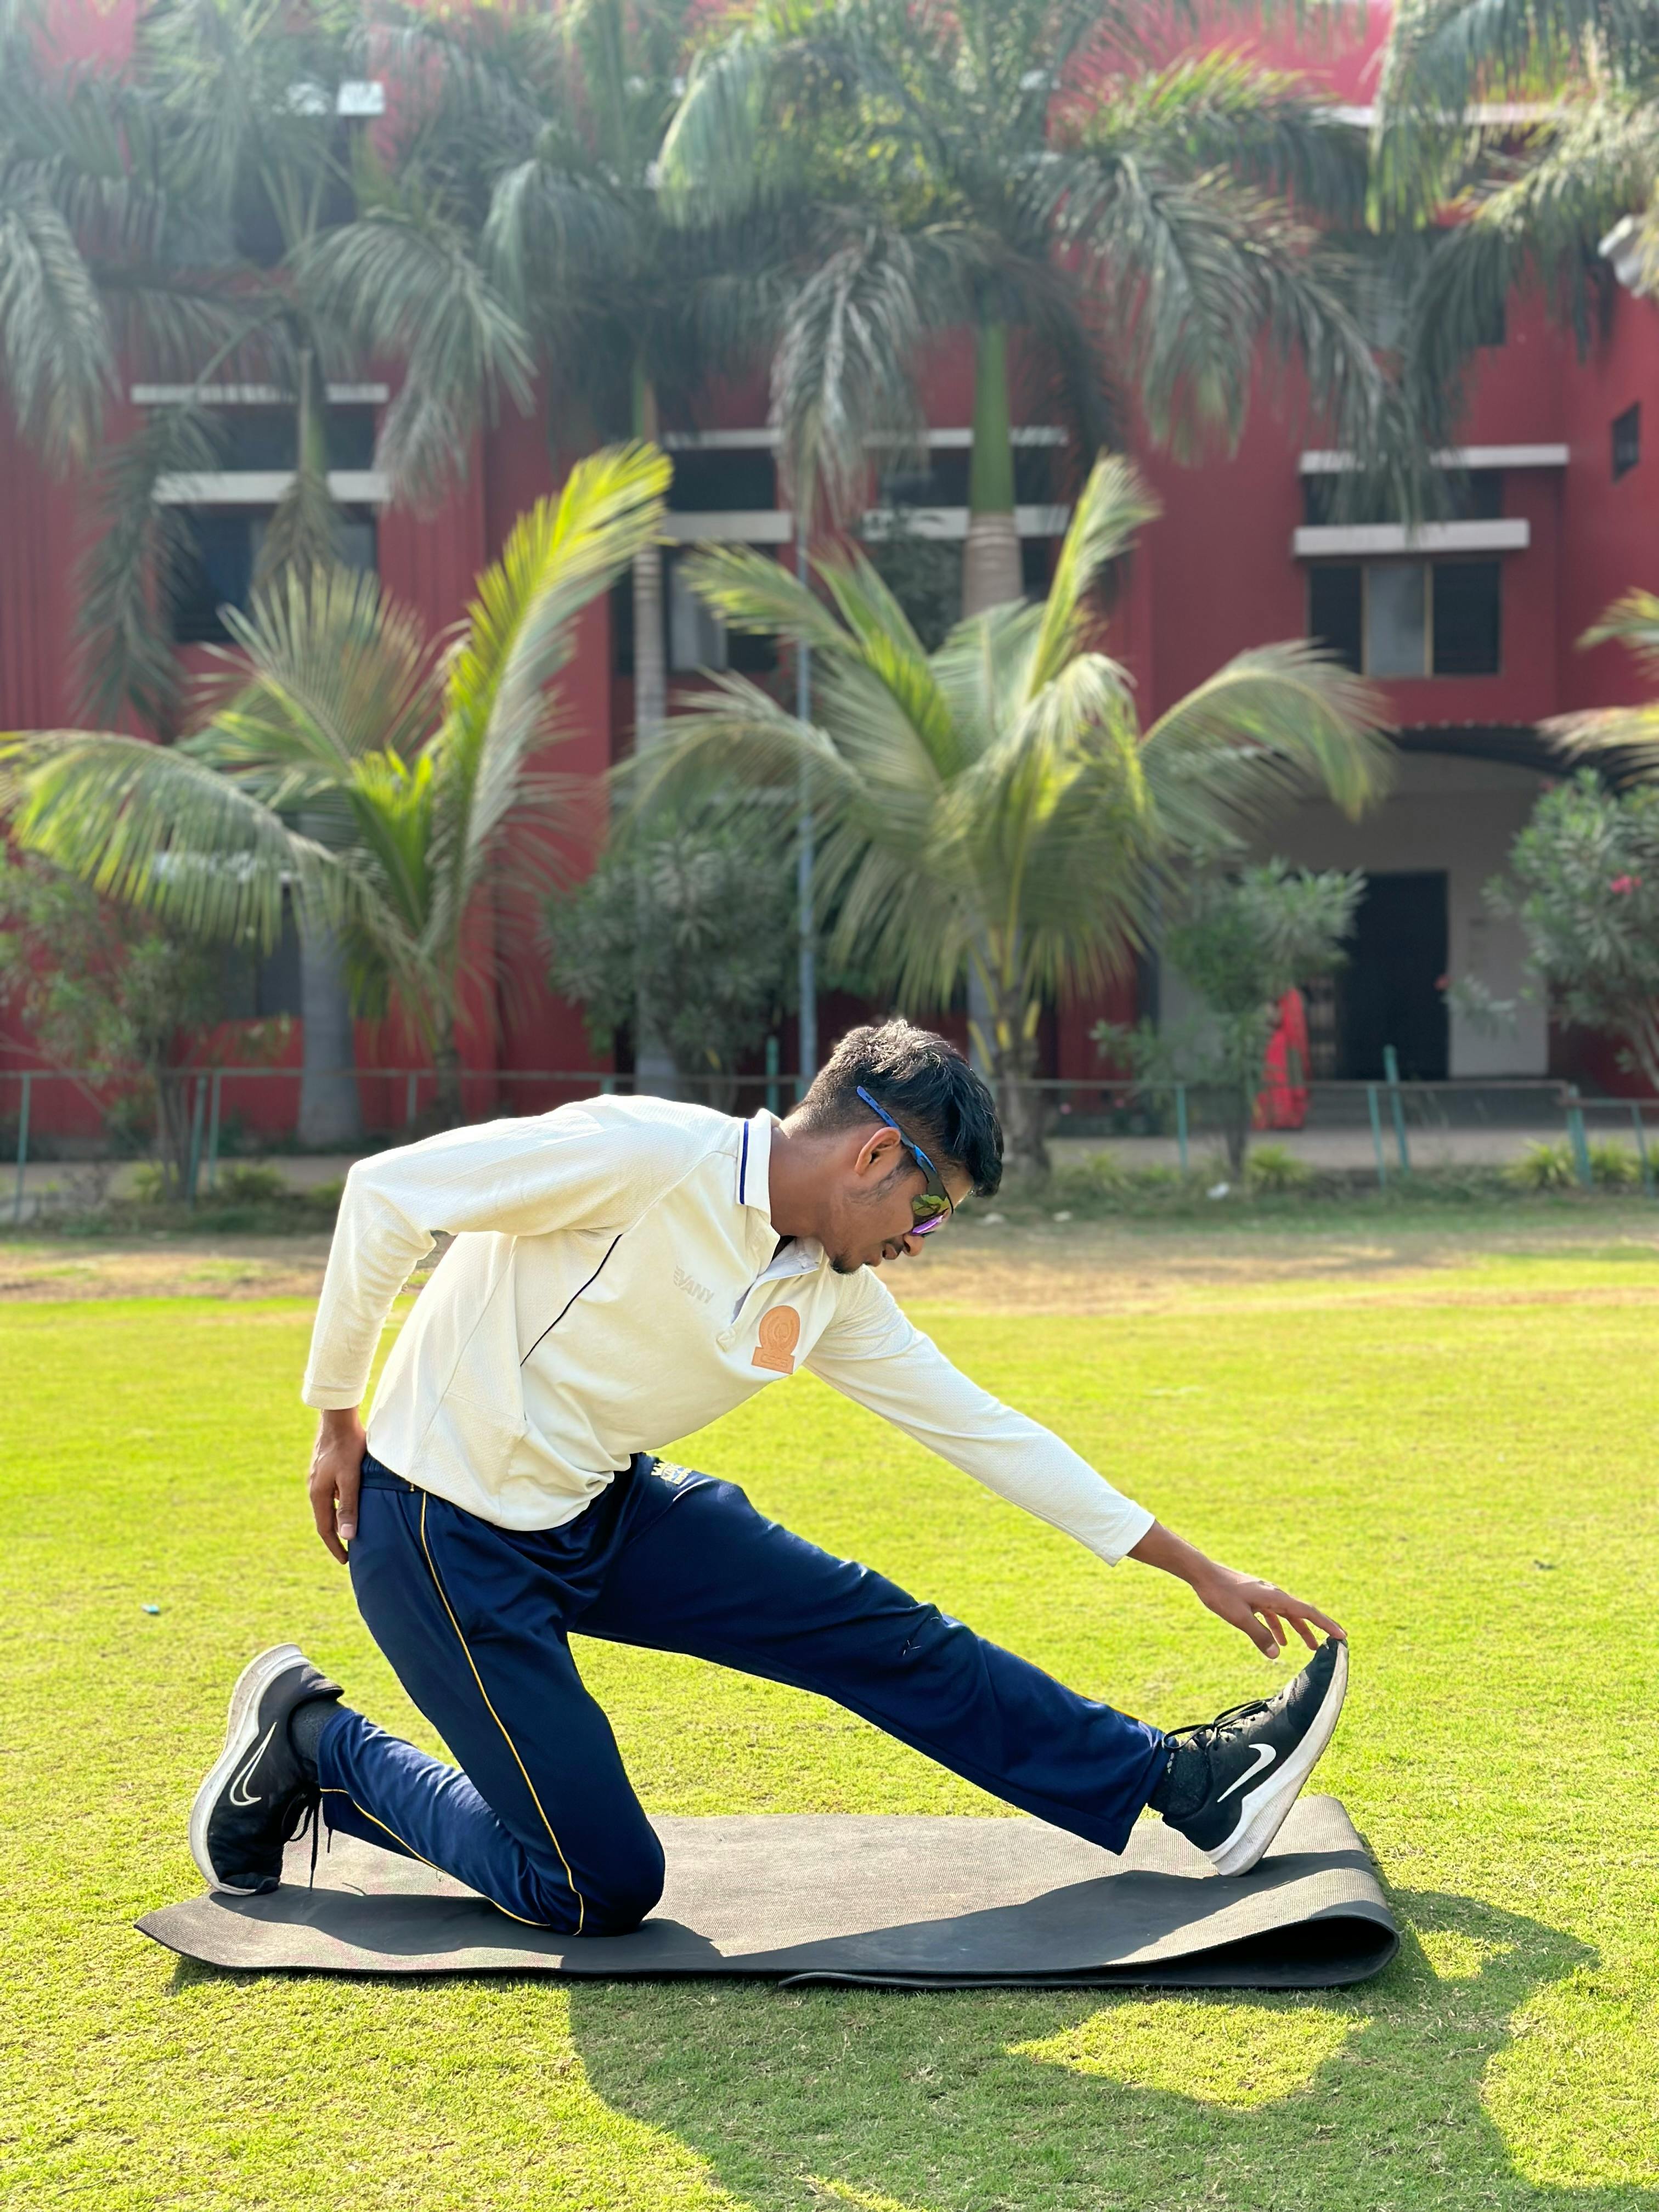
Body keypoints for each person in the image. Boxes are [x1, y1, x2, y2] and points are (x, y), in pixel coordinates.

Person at [191, 1020, 1348, 1932]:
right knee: (598, 1887)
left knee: (880, 1630)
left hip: (601, 1509)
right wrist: (337, 1413)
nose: (922, 1238)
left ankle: (1188, 1783)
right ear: (878, 1152)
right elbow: (390, 1195)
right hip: (443, 1534)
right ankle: (313, 1746)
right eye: (929, 1206)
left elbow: (987, 1432)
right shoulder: (647, 1154)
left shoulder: (832, 1290)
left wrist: (1198, 1569)